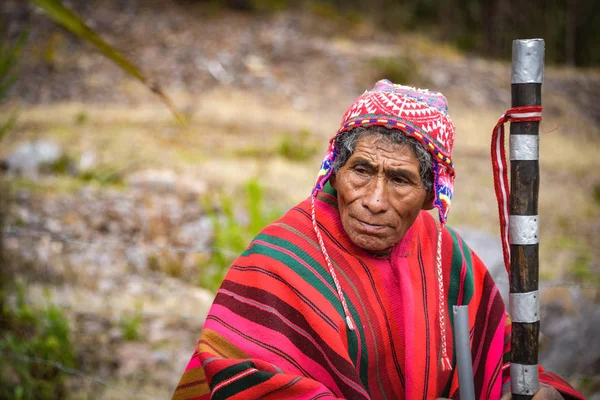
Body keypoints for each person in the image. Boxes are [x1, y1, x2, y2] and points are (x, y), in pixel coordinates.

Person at [172, 80, 583, 399]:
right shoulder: (280, 259)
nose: (374, 200)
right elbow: (244, 378)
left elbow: (501, 361)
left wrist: (532, 391)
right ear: (335, 171)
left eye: (400, 179)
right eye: (362, 170)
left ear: (429, 194)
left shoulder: (446, 254)